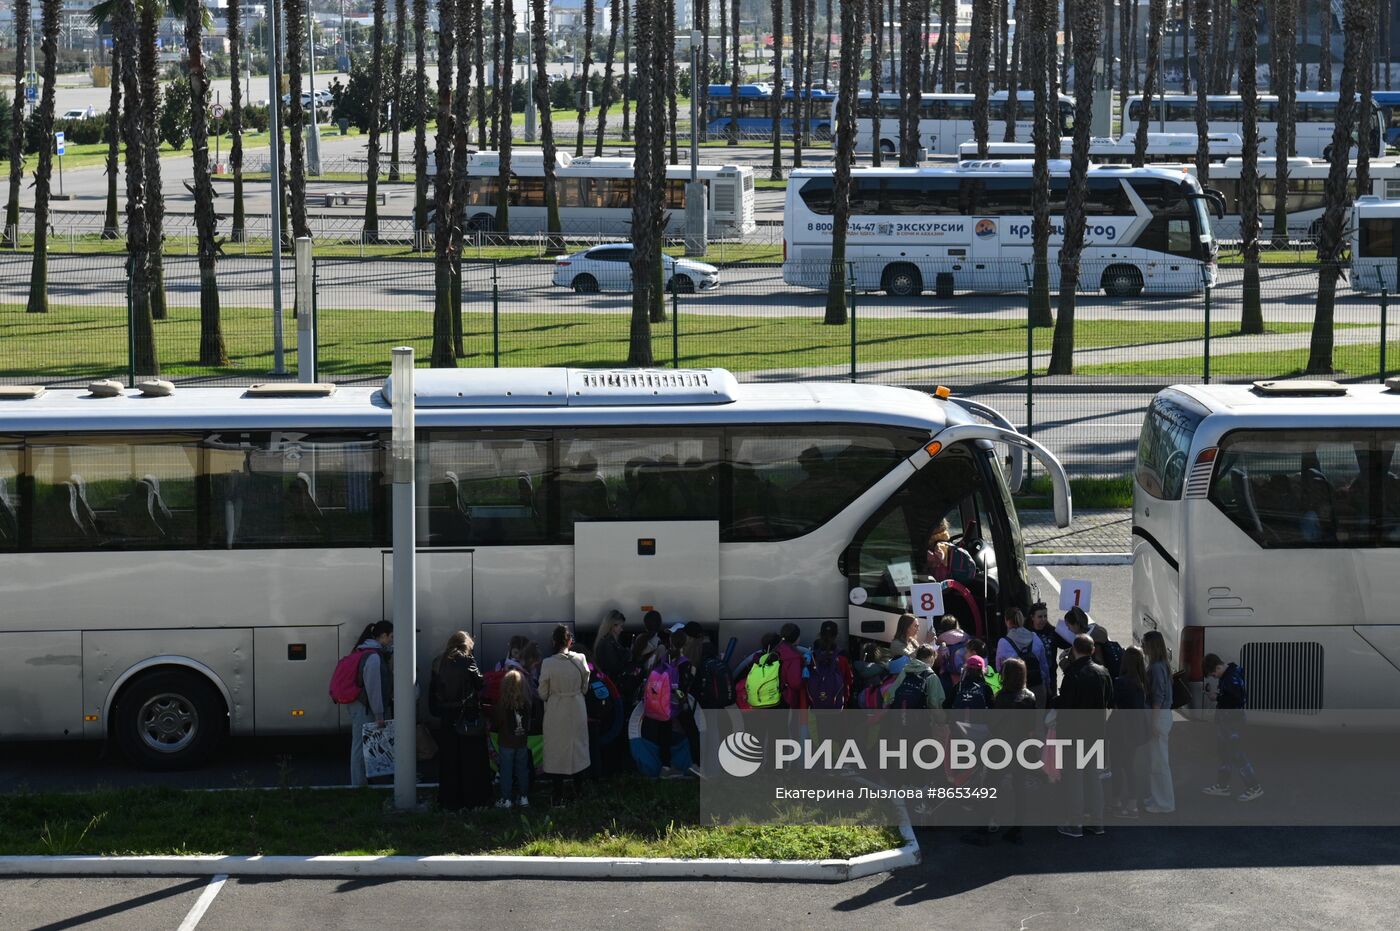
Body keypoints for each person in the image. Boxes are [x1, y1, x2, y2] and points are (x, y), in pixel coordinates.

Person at [1056, 634, 1114, 838]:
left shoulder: (1072, 675)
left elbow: (1065, 708)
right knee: (1093, 779)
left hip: (1073, 734)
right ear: (1092, 650)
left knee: (1074, 780)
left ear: (1074, 650)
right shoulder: (1103, 672)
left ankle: (1075, 823)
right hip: (1096, 733)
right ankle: (1097, 821)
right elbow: (1109, 700)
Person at [429, 630, 491, 811]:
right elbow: (480, 683)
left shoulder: (437, 661)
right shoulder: (467, 661)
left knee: (449, 761)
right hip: (467, 716)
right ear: (466, 645)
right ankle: (474, 799)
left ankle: (450, 801)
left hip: (447, 717)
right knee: (471, 761)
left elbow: (434, 690)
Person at [537, 624, 591, 806]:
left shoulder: (548, 663)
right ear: (570, 641)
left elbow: (542, 692)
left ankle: (557, 795)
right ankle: (580, 792)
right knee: (578, 747)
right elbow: (585, 686)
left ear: (553, 642)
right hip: (576, 707)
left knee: (556, 749)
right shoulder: (581, 658)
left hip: (556, 709)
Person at [986, 657, 1037, 845]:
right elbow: (1031, 728)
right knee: (1019, 786)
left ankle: (991, 819)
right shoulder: (1029, 697)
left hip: (1001, 746)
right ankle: (1018, 826)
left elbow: (994, 724)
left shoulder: (1000, 696)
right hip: (1021, 746)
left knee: (992, 783)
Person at [1201, 654, 1264, 802]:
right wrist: (1220, 695)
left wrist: (1217, 697)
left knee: (1237, 754)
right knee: (1225, 753)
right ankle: (1223, 785)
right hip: (1227, 721)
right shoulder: (1232, 675)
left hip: (1232, 722)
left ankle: (1254, 786)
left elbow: (1237, 698)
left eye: (1213, 674)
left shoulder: (1231, 679)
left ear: (1218, 667)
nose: (1214, 677)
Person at [643, 630, 700, 776]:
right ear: (685, 644)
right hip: (677, 705)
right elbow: (682, 687)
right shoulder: (684, 663)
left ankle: (666, 767)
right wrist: (683, 702)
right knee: (692, 732)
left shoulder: (663, 658)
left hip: (662, 703)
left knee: (664, 735)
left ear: (670, 642)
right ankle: (696, 765)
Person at [349, 620, 393, 788]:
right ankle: (358, 785)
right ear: (382, 636)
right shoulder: (373, 657)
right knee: (360, 746)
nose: (392, 640)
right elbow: (373, 688)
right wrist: (379, 715)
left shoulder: (366, 651)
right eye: (391, 637)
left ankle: (365, 781)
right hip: (364, 706)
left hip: (360, 704)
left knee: (361, 744)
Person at [1109, 645, 1150, 819]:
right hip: (1135, 730)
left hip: (1120, 729)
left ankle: (1117, 801)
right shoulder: (1141, 682)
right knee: (1130, 767)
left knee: (1116, 767)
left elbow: (1113, 703)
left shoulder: (1121, 682)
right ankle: (1132, 804)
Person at [1142, 630, 1176, 814]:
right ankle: (1159, 798)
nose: (1142, 646)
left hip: (1158, 716)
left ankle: (1164, 803)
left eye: (1144, 643)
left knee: (1159, 762)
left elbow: (1157, 697)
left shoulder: (1155, 667)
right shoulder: (1163, 664)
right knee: (1159, 760)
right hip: (1163, 715)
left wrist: (1153, 723)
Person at [995, 607, 1050, 708]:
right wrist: (1047, 685)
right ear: (1022, 620)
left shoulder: (1003, 642)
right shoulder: (1034, 637)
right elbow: (1044, 665)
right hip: (1037, 686)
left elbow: (999, 667)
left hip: (1014, 692)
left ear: (1007, 621)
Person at [493, 668, 533, 809]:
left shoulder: (502, 704)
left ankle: (506, 799)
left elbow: (497, 722)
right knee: (522, 770)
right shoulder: (526, 703)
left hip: (506, 742)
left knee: (506, 771)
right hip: (521, 741)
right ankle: (523, 797)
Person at [925, 518, 977, 584]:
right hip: (950, 583)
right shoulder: (945, 543)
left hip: (940, 583)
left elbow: (939, 557)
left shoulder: (939, 546)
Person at [1028, 602, 1060, 703]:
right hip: (1033, 678)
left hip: (1050, 676)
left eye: (1045, 616)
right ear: (1032, 617)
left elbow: (1069, 643)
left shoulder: (1053, 632)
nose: (1043, 619)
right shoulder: (1025, 633)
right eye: (1040, 616)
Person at [776, 623, 808, 709]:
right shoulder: (794, 657)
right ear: (796, 638)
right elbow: (796, 683)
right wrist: (805, 678)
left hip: (773, 696)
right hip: (787, 699)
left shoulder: (777, 650)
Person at [591, 610, 629, 682]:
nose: (622, 629)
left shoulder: (606, 640)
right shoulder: (607, 643)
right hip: (610, 681)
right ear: (613, 626)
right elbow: (613, 667)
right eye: (620, 626)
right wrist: (627, 655)